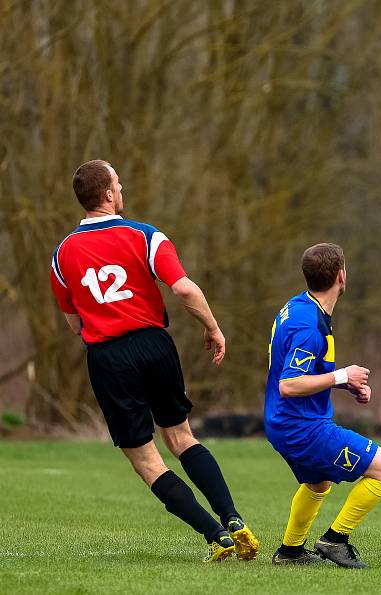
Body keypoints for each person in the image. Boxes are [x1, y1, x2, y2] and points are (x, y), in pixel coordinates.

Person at [50, 160, 260, 562]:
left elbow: (74, 322)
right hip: (154, 345)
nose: (122, 186)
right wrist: (212, 327)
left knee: (146, 460)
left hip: (108, 356)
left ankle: (216, 535)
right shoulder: (145, 235)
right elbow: (183, 288)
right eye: (118, 182)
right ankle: (232, 517)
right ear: (108, 194)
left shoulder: (61, 255)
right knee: (182, 437)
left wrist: (104, 329)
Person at [264, 243, 381, 568]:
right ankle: (335, 540)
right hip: (303, 428)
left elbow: (305, 370)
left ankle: (290, 551)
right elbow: (289, 384)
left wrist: (346, 384)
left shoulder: (299, 307)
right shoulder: (308, 326)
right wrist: (341, 374)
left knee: (318, 482)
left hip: (285, 422)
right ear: (342, 276)